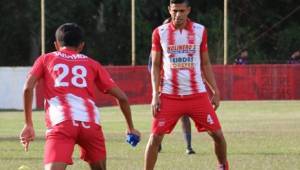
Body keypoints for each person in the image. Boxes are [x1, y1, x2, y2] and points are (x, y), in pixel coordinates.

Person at [19, 23, 141, 170]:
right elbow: (122, 98)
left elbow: (27, 88)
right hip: (90, 124)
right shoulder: (92, 64)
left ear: (56, 45)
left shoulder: (46, 59)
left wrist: (28, 124)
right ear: (81, 46)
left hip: (62, 123)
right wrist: (130, 127)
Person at [144, 0, 228, 170]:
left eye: (182, 10)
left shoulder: (200, 31)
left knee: (218, 135)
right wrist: (155, 94)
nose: (178, 14)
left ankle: (222, 166)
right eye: (174, 10)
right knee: (155, 138)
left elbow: (205, 63)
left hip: (197, 95)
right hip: (169, 96)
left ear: (188, 10)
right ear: (169, 9)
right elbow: (156, 65)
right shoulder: (159, 33)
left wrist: (215, 90)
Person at [148, 17, 196, 155]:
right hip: (164, 86)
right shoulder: (158, 45)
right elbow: (152, 67)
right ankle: (158, 144)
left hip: (181, 86)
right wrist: (156, 88)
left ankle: (188, 146)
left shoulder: (182, 44)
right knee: (159, 113)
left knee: (185, 115)